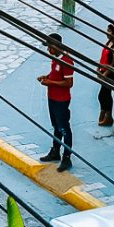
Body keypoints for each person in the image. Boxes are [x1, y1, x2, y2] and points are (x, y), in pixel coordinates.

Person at [37, 32, 73, 172]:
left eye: (50, 47)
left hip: (61, 100)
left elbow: (69, 83)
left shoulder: (67, 61)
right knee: (56, 126)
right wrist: (46, 77)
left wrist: (50, 82)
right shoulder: (55, 58)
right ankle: (55, 151)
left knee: (64, 128)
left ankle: (67, 157)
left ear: (57, 46)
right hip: (52, 98)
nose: (48, 50)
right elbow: (56, 75)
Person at [97, 22, 114, 127]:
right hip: (103, 70)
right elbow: (103, 57)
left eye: (109, 30)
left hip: (109, 74)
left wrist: (106, 74)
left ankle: (108, 116)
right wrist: (98, 69)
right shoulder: (108, 43)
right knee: (103, 95)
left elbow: (113, 63)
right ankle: (104, 113)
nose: (107, 32)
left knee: (104, 95)